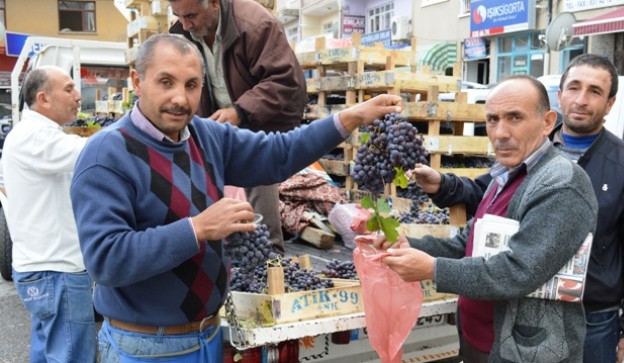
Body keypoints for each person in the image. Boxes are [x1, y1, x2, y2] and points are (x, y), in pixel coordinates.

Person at [69, 33, 401, 362]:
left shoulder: (205, 135)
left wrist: (349, 118)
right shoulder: (106, 155)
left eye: (191, 85)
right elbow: (106, 260)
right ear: (137, 81)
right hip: (145, 348)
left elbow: (277, 155)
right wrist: (196, 229)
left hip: (208, 336)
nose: (180, 98)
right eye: (166, 82)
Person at [417, 54, 624, 363]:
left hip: (584, 318)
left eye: (594, 91)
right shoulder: (514, 164)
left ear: (610, 103)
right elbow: (482, 222)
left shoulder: (621, 167)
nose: (581, 99)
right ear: (560, 96)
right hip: (506, 323)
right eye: (574, 87)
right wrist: (440, 189)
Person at [373, 75, 598, 362]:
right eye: (492, 120)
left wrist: (434, 269)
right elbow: (469, 243)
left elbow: (519, 272)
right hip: (480, 340)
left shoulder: (562, 184)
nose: (500, 132)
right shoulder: (503, 176)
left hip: (524, 352)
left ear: (547, 122)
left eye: (515, 118)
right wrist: (409, 246)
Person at [169, 0, 308, 255]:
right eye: (178, 16)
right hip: (217, 116)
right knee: (201, 167)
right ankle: (219, 251)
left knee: (257, 167)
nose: (186, 24)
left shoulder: (257, 24)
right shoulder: (180, 33)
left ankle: (269, 255)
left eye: (191, 15)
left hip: (266, 113)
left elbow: (283, 80)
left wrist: (240, 112)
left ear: (213, 3)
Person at [0, 66, 95, 362]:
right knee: (71, 355)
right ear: (43, 98)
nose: (78, 96)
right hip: (57, 271)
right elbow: (96, 149)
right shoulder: (36, 137)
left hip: (44, 271)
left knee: (49, 352)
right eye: (68, 89)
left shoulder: (35, 135)